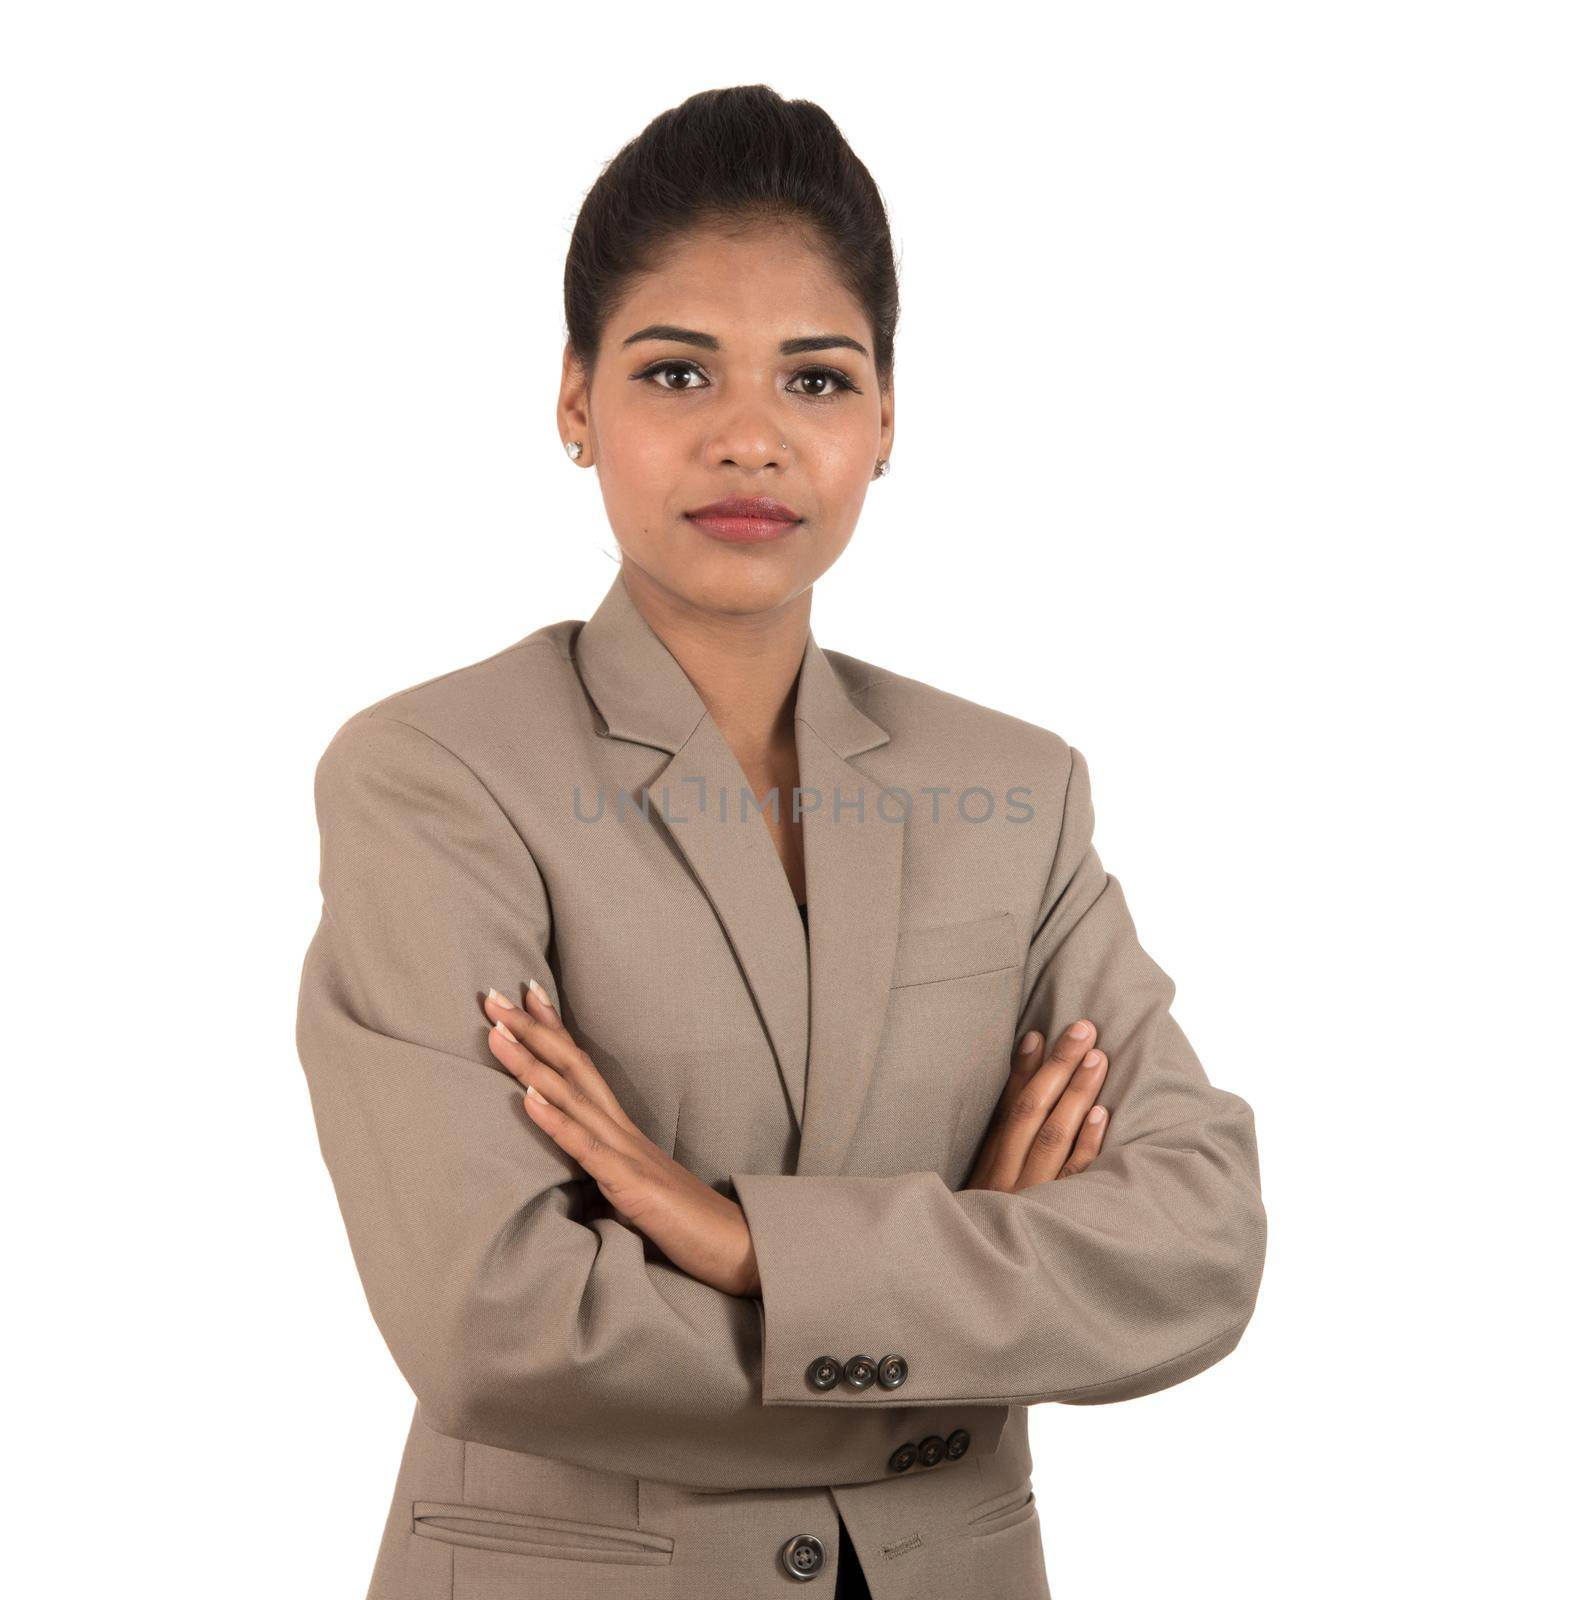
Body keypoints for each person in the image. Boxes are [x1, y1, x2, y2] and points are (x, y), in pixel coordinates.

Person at [296, 84, 1268, 1600]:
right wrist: (950, 1327)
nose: (751, 438)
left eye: (816, 383)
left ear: (887, 422)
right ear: (574, 402)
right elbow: (499, 1324)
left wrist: (748, 1249)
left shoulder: (1013, 789)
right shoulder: (436, 777)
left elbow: (1199, 1245)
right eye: (677, 373)